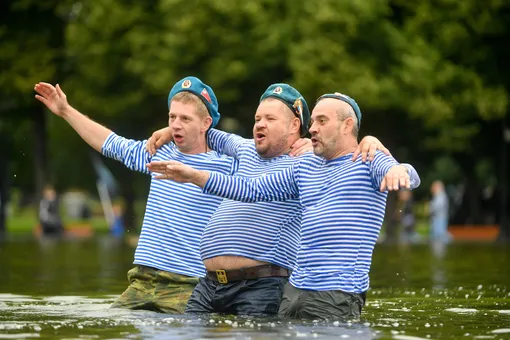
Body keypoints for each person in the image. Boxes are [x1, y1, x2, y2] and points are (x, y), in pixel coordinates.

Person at [150, 91, 421, 320]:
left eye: (321, 121)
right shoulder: (305, 166)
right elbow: (250, 189)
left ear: (347, 126)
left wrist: (399, 171)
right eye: (312, 120)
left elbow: (405, 172)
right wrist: (194, 176)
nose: (312, 127)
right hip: (293, 292)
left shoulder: (369, 159)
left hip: (337, 293)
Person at [34, 76, 238, 313]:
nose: (176, 125)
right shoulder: (157, 151)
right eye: (172, 117)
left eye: (185, 118)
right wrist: (66, 111)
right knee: (108, 322)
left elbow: (259, 152)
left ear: (206, 123)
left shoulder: (227, 165)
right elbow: (111, 143)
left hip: (189, 285)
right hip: (142, 281)